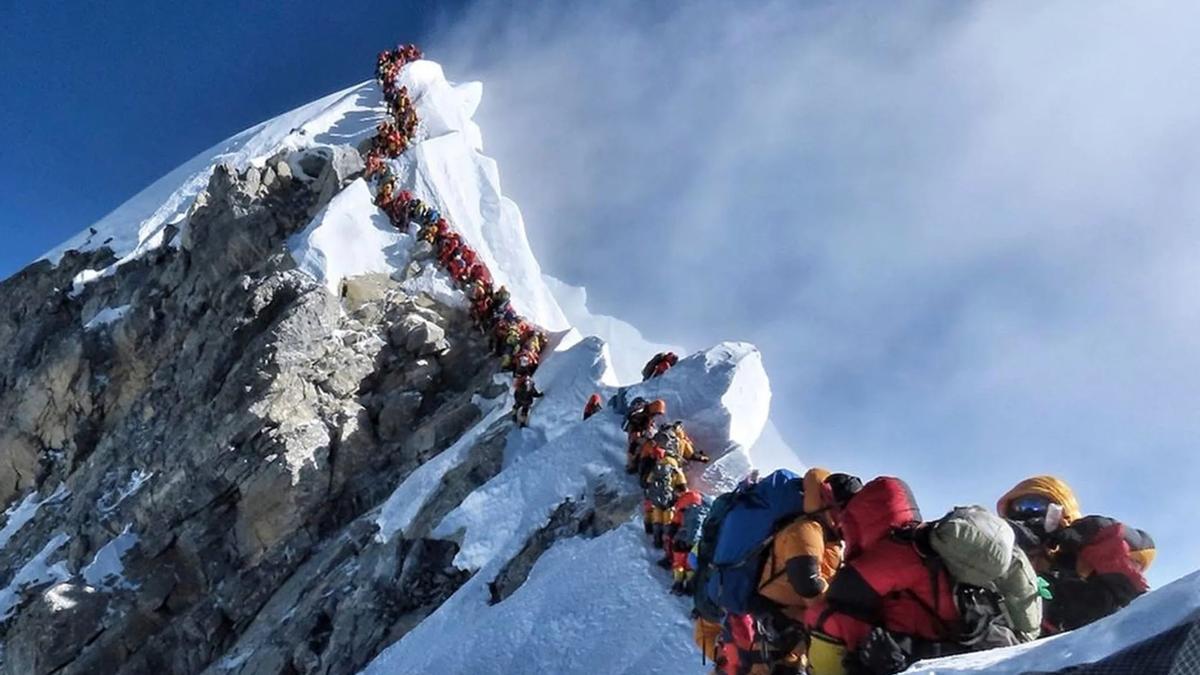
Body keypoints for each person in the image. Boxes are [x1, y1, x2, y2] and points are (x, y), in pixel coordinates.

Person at [806, 476, 958, 675]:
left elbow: (844, 591)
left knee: (825, 617)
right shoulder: (914, 540)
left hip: (930, 647)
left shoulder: (896, 548)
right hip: (930, 638)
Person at [997, 476, 1155, 634]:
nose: (1025, 514)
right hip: (1016, 647)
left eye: (1034, 505)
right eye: (1018, 508)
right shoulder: (1002, 560)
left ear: (1061, 512)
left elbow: (1141, 551)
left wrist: (1099, 531)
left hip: (1096, 642)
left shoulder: (1082, 558)